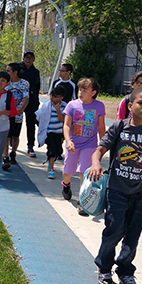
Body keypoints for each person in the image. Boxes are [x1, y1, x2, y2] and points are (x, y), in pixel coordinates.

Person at [89, 87, 142, 284]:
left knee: (133, 235)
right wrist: (96, 163)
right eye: (141, 103)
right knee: (114, 230)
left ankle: (125, 270)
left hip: (140, 193)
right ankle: (104, 267)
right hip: (116, 190)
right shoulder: (119, 127)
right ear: (130, 106)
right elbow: (100, 149)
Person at [62, 78, 106, 215]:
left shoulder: (99, 106)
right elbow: (67, 125)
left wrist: (103, 145)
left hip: (90, 143)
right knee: (69, 169)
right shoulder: (72, 105)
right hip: (73, 143)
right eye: (80, 89)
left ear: (93, 92)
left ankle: (82, 201)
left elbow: (100, 126)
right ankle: (66, 184)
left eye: (84, 90)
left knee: (85, 172)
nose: (80, 92)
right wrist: (68, 141)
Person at [35, 85, 67, 179]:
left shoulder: (65, 106)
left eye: (55, 96)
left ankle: (51, 161)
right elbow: (40, 114)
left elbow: (63, 119)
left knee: (58, 150)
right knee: (51, 149)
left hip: (59, 132)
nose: (52, 98)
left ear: (61, 97)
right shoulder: (47, 105)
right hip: (50, 132)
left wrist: (58, 110)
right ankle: (51, 169)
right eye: (51, 96)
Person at [2, 62, 30, 170]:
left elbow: (26, 97)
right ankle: (5, 156)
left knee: (15, 136)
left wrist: (21, 109)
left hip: (18, 113)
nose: (7, 72)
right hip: (7, 113)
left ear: (15, 72)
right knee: (6, 135)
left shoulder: (24, 83)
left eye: (8, 71)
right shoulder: (6, 82)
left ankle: (13, 152)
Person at [20, 51, 41, 158]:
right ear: (23, 59)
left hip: (31, 100)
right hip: (18, 99)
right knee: (14, 121)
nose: (28, 60)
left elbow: (37, 87)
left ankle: (30, 146)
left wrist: (36, 101)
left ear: (33, 59)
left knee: (30, 123)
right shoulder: (18, 69)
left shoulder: (35, 72)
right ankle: (11, 140)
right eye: (26, 58)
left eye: (30, 58)